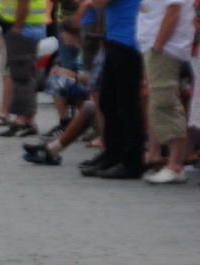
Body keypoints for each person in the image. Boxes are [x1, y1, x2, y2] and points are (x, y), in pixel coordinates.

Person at [79, 0, 143, 178]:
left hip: (127, 40)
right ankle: (114, 153)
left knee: (126, 103)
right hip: (116, 37)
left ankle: (131, 161)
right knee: (108, 100)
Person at [137, 0, 191, 183]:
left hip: (166, 47)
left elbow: (173, 11)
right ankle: (167, 159)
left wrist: (159, 45)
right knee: (159, 101)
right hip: (157, 45)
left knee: (165, 102)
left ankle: (175, 165)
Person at [0, 0, 46, 136]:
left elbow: (23, 3)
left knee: (22, 76)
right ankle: (27, 119)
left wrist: (17, 26)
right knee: (24, 75)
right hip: (29, 28)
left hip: (23, 30)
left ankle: (23, 120)